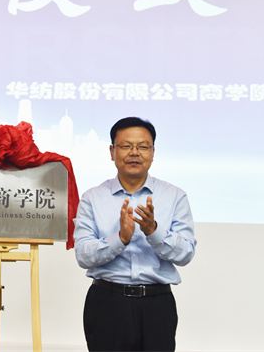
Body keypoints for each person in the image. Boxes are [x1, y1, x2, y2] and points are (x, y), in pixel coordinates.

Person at [73, 117, 196, 351]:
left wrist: (154, 231)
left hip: (157, 305)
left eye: (142, 146)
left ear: (152, 152)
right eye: (126, 146)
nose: (134, 153)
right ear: (112, 151)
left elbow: (186, 253)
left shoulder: (174, 196)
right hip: (107, 303)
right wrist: (120, 239)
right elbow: (82, 255)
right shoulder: (93, 198)